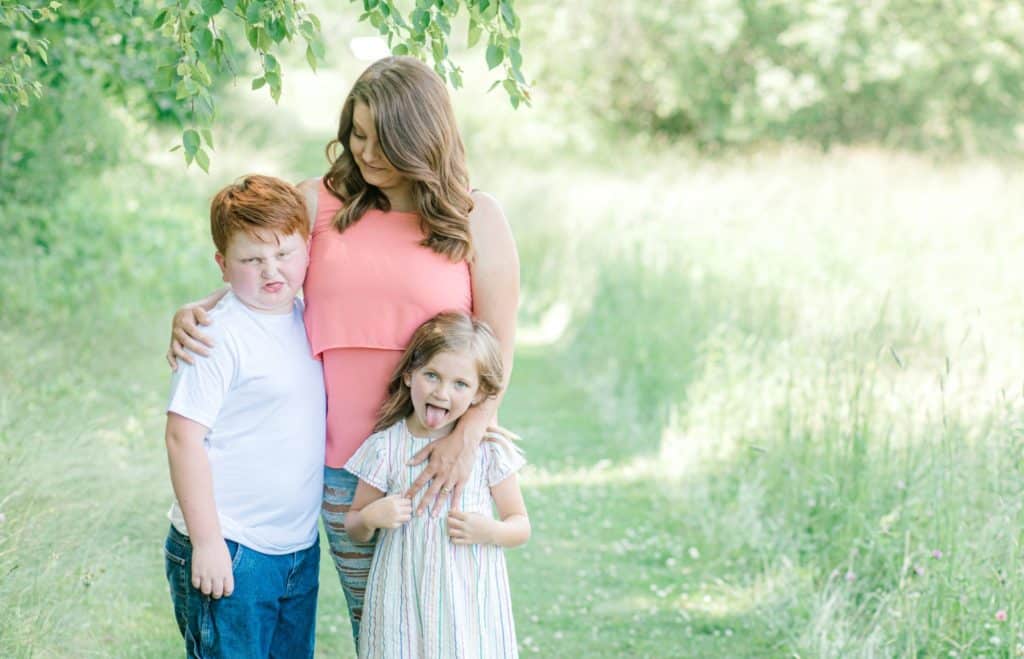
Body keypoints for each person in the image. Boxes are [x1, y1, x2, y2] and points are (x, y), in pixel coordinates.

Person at [166, 56, 520, 647]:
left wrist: (464, 442)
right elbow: (260, 271)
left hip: (437, 466)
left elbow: (497, 355)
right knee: (377, 632)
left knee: (448, 634)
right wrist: (195, 310)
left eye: (384, 141)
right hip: (342, 474)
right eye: (357, 135)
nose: (366, 153)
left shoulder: (476, 218)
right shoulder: (319, 203)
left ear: (423, 139)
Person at [163, 175, 325, 658]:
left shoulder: (305, 316)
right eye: (251, 260)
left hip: (296, 548)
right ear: (223, 265)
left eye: (284, 253)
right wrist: (208, 542)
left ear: (308, 249)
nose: (271, 270)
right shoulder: (217, 336)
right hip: (232, 546)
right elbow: (182, 439)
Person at [345, 312, 529, 658]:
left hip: (469, 600)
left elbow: (520, 524)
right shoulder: (384, 447)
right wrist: (371, 517)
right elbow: (354, 526)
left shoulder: (488, 450)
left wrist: (491, 531)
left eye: (461, 384)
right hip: (400, 601)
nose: (442, 392)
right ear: (410, 374)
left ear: (479, 394)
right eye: (432, 375)